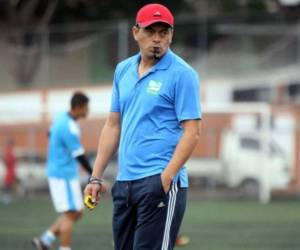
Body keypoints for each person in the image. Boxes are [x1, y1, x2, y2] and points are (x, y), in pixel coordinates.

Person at [84, 3, 202, 250]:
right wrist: (96, 177)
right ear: (136, 32)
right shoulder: (122, 70)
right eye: (151, 32)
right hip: (124, 183)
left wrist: (166, 177)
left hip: (159, 182)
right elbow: (112, 126)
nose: (157, 39)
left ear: (171, 35)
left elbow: (192, 132)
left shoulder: (183, 74)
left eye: (163, 32)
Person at [32, 91, 93, 250]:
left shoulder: (60, 118)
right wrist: (94, 175)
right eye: (86, 107)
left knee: (77, 211)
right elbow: (79, 155)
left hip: (60, 172)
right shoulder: (70, 127)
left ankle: (45, 240)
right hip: (63, 174)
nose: (88, 111)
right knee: (71, 213)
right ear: (79, 107)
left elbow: (49, 133)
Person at [1, 139, 17, 204]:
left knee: (7, 185)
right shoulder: (10, 152)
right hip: (10, 171)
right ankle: (8, 197)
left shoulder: (9, 152)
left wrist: (3, 159)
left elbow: (8, 162)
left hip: (10, 172)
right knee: (8, 185)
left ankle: (7, 198)